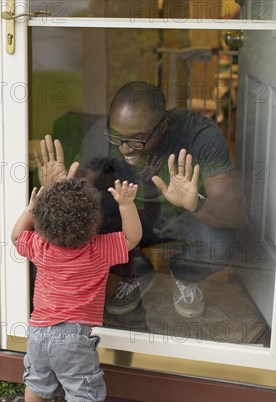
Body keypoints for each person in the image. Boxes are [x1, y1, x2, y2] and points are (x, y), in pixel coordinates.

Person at [35, 81, 249, 319]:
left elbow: (235, 213)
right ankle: (134, 272)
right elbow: (79, 193)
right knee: (82, 226)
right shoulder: (105, 131)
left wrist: (194, 202)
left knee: (220, 244)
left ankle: (186, 275)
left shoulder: (200, 135)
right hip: (131, 220)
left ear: (163, 126)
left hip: (184, 221)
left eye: (137, 139)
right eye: (118, 138)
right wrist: (58, 190)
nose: (125, 149)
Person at [11, 177, 142, 402]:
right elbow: (132, 238)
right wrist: (126, 205)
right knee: (83, 393)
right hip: (73, 338)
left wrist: (30, 210)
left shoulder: (41, 246)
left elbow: (16, 237)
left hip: (38, 333)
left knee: (37, 384)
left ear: (42, 221)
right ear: (93, 220)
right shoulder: (99, 249)